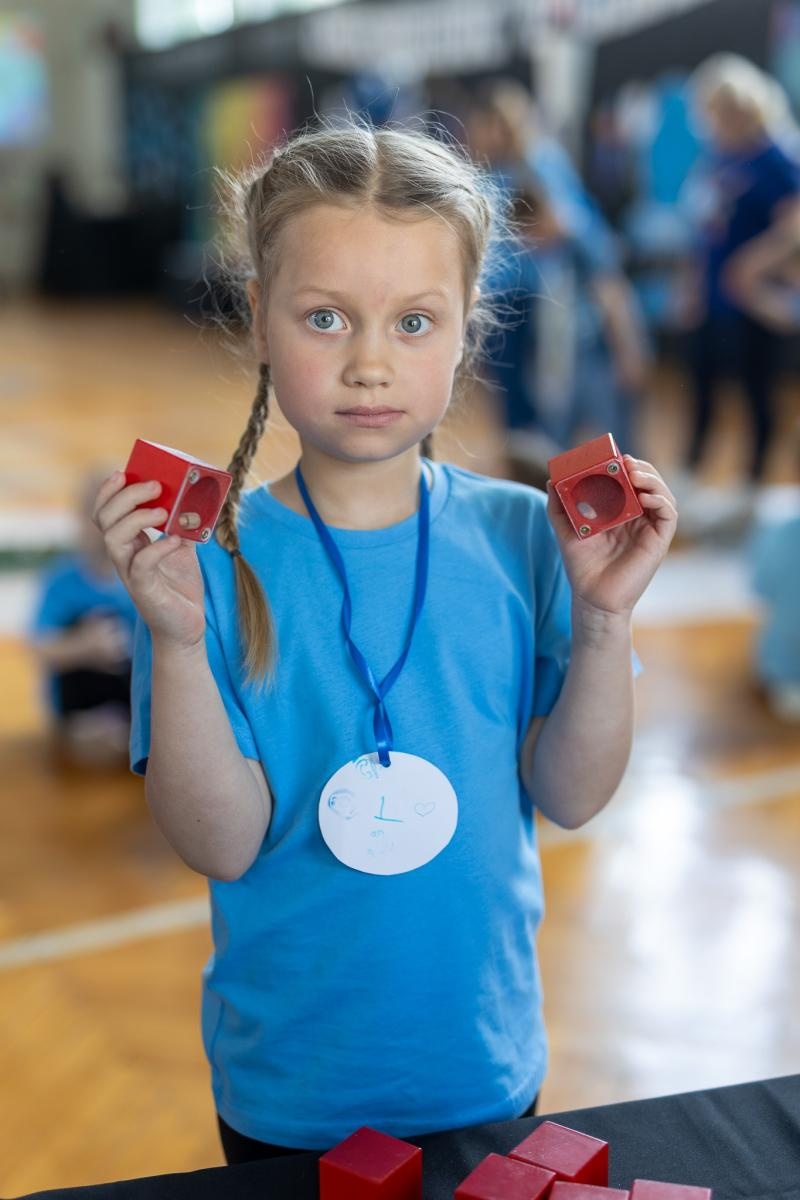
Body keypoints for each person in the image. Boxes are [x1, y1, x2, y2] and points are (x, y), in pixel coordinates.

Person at [92, 120, 677, 1162]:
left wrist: (600, 620)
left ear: (466, 334)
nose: (369, 363)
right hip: (288, 1092)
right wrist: (177, 643)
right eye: (325, 317)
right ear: (260, 323)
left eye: (414, 322)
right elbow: (219, 843)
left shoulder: (521, 537)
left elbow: (574, 794)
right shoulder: (204, 564)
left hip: (482, 1070)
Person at [677, 54, 800, 485]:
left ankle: (755, 482)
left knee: (756, 391)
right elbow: (704, 229)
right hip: (713, 295)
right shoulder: (717, 157)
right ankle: (690, 475)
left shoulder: (778, 156)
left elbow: (794, 224)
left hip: (755, 300)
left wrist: (752, 262)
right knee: (701, 385)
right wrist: (691, 285)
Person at [29, 469, 137, 768]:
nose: (100, 524)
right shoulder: (61, 580)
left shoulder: (140, 579)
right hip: (80, 704)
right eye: (93, 511)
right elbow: (40, 646)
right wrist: (84, 647)